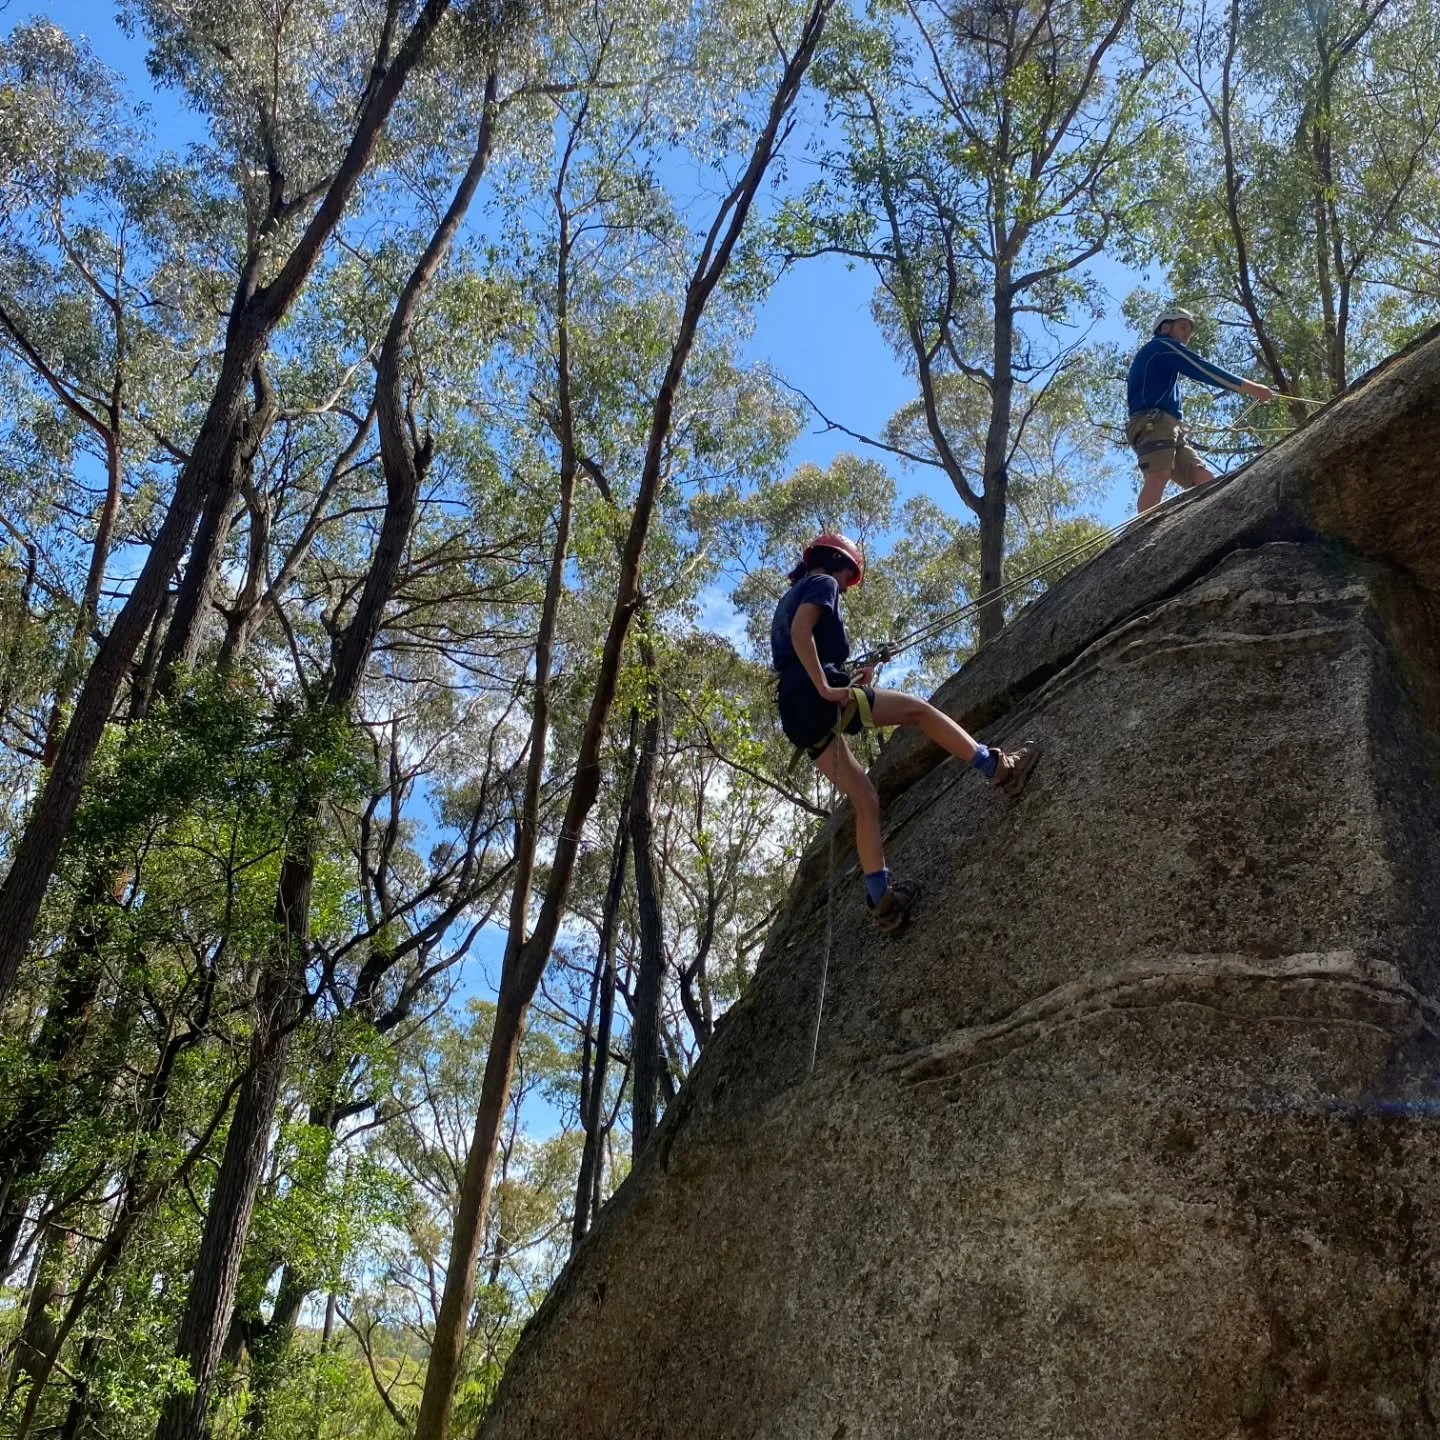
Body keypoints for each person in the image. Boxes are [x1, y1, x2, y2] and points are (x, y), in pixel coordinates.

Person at [771, 533, 1039, 935]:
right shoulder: (823, 583)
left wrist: (858, 678)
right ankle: (1000, 769)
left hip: (795, 712)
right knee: (918, 710)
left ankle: (882, 903)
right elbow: (801, 636)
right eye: (850, 576)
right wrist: (828, 689)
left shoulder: (788, 597)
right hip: (815, 696)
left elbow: (798, 650)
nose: (847, 585)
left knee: (866, 799)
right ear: (838, 563)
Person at [1126, 306, 1275, 513]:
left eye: (1189, 330)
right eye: (1183, 327)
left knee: (1201, 475)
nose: (1187, 334)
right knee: (1158, 475)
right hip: (1154, 422)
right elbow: (1202, 369)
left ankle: (1221, 514)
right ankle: (1139, 533)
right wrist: (1252, 388)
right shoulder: (1161, 346)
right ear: (1165, 327)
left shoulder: (1161, 354)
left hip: (1168, 425)